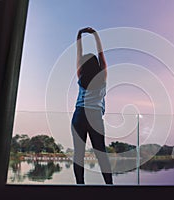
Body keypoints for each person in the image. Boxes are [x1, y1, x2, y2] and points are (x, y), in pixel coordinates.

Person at [71, 27, 113, 184]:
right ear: (97, 64)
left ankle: (80, 187)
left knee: (79, 154)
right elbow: (101, 55)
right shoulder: (102, 76)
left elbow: (78, 54)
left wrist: (79, 36)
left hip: (79, 115)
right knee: (101, 153)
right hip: (94, 116)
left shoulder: (81, 75)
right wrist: (95, 35)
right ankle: (110, 186)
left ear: (83, 65)